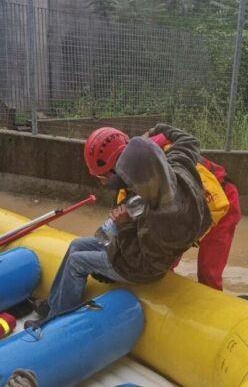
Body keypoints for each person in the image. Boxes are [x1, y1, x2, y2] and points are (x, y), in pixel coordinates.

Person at [27, 124, 212, 325]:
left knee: (77, 262)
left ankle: (57, 319)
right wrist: (153, 130)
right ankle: (56, 303)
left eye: (131, 183)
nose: (127, 186)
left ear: (142, 182)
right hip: (138, 242)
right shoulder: (175, 166)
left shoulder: (164, 223)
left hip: (142, 268)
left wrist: (123, 226)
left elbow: (142, 262)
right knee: (76, 246)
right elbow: (189, 141)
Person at [88, 126, 241, 291]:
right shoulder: (133, 183)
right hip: (185, 207)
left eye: (103, 177)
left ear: (118, 168)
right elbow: (123, 232)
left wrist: (154, 130)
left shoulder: (156, 171)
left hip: (220, 200)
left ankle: (214, 305)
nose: (103, 183)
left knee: (208, 272)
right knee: (166, 260)